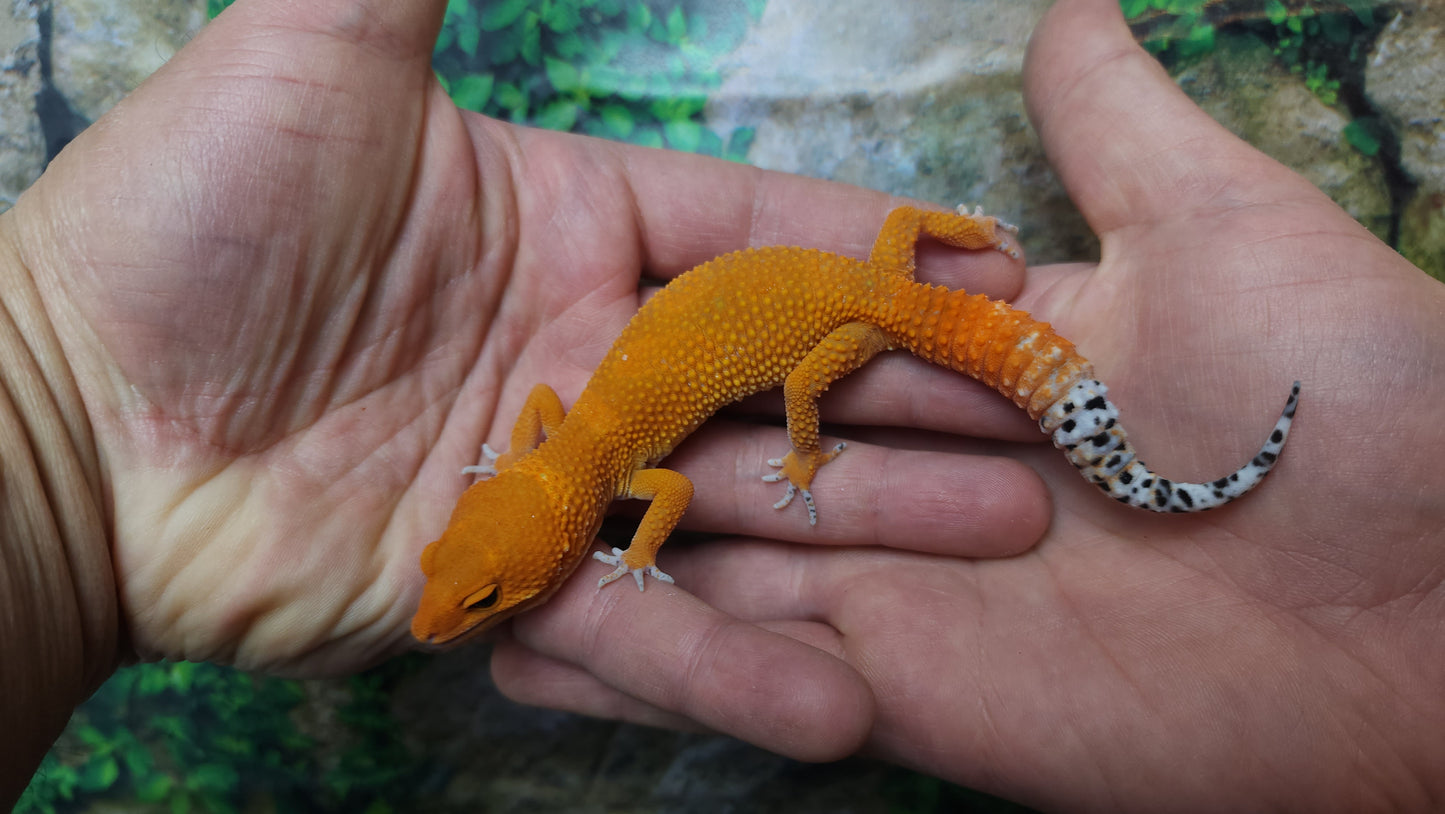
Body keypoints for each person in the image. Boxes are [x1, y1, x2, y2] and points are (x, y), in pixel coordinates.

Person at [2, 0, 1440, 809]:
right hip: (855, 278)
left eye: (475, 582)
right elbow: (571, 436)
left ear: (550, 533)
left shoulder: (606, 475)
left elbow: (667, 489)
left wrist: (721, 496)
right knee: (892, 297)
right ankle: (1113, 438)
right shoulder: (572, 453)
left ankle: (1142, 468)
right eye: (471, 582)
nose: (449, 604)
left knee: (833, 372)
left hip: (830, 328)